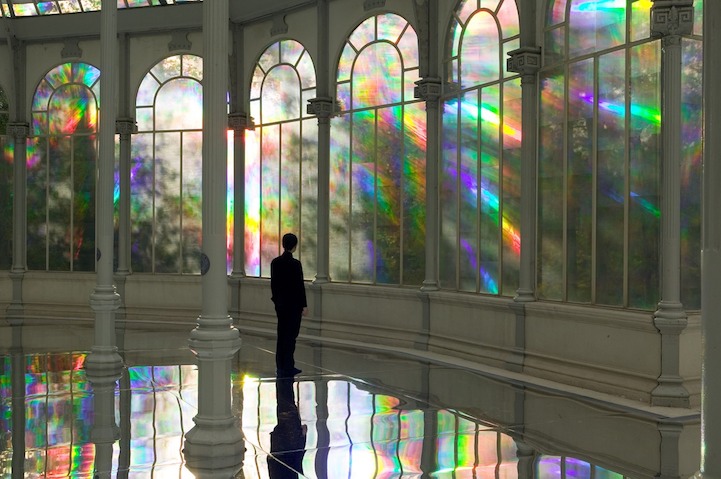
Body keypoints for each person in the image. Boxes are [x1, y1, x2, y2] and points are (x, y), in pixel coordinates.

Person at [270, 233, 308, 377]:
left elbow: (274, 285)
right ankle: (288, 365)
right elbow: (299, 286)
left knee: (282, 333)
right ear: (294, 246)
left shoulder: (275, 263)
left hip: (281, 305)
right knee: (291, 336)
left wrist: (276, 301)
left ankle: (280, 364)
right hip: (293, 306)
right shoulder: (295, 264)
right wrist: (304, 305)